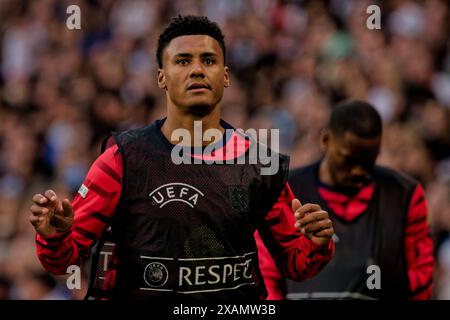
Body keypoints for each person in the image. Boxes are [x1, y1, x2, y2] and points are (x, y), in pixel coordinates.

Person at [29, 15, 334, 301]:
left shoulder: (261, 163)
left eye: (209, 60)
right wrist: (54, 237)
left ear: (225, 76)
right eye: (183, 61)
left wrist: (318, 244)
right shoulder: (122, 159)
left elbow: (296, 265)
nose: (198, 69)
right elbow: (64, 261)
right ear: (162, 77)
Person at [259, 100, 434, 300]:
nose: (358, 170)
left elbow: (420, 276)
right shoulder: (286, 188)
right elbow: (266, 272)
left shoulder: (404, 194)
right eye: (348, 159)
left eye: (368, 160)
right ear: (325, 140)